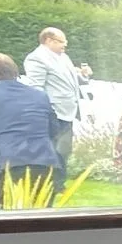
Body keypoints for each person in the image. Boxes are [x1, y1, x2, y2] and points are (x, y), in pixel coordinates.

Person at [0, 54, 60, 210]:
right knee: (41, 221)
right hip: (44, 163)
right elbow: (54, 129)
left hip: (5, 165)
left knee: (2, 222)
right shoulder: (39, 95)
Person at [22, 27, 91, 189]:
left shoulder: (64, 57)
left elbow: (72, 79)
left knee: (64, 150)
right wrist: (46, 111)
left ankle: (59, 183)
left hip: (68, 111)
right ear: (48, 41)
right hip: (53, 113)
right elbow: (36, 87)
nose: (65, 45)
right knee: (52, 149)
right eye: (62, 41)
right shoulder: (36, 59)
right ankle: (49, 183)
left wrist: (83, 75)